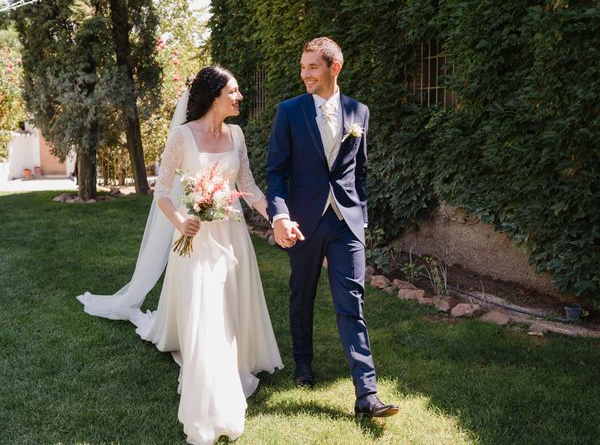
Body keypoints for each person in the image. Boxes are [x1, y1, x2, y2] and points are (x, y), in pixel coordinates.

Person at [78, 66, 283, 444]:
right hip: (195, 238)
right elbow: (164, 192)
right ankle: (211, 385)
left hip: (233, 236)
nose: (240, 97)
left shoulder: (237, 135)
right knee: (208, 310)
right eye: (233, 91)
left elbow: (248, 186)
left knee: (230, 302)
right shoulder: (182, 136)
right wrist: (181, 221)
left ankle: (234, 358)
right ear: (214, 95)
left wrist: (277, 217)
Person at [266, 37, 399, 418]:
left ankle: (367, 395)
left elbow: (360, 172)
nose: (304, 74)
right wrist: (280, 215)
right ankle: (303, 365)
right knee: (301, 295)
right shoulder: (289, 111)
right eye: (303, 66)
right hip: (303, 222)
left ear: (334, 68)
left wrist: (362, 218)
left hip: (347, 223)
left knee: (351, 303)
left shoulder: (360, 112)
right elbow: (276, 171)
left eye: (312, 67)